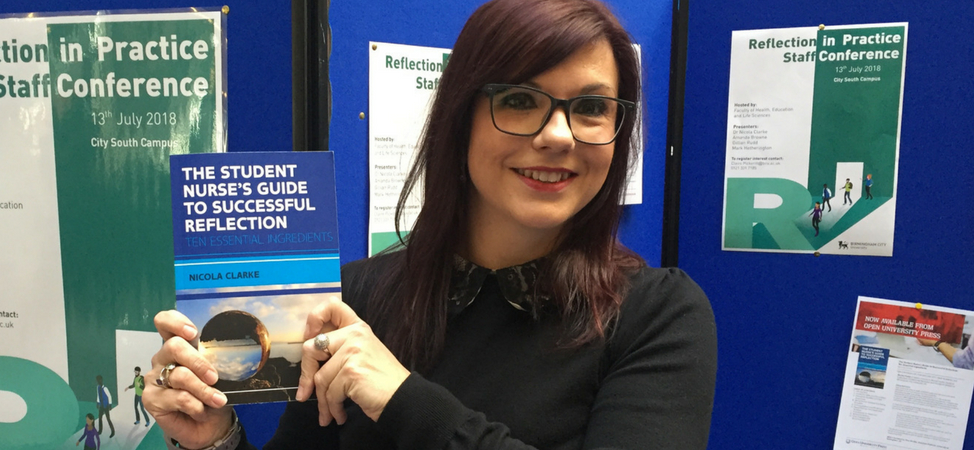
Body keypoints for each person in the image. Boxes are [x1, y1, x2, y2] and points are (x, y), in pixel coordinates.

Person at [143, 0, 717, 448]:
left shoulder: (657, 316)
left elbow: (403, 403)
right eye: (520, 100)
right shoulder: (357, 300)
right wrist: (213, 439)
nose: (558, 135)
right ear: (459, 118)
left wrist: (401, 398)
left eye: (591, 108)